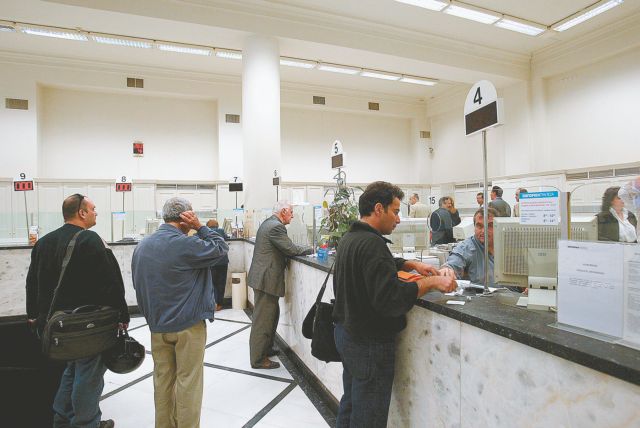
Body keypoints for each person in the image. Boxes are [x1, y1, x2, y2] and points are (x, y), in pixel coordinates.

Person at [332, 181, 456, 427]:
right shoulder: (373, 244)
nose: (398, 219)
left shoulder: (352, 237)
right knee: (368, 417)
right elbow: (391, 300)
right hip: (368, 343)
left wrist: (409, 264)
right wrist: (431, 282)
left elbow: (373, 265)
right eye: (396, 211)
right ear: (379, 209)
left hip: (347, 335)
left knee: (351, 405)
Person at [26, 193, 129, 428]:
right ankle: (86, 423)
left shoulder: (44, 242)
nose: (96, 212)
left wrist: (33, 315)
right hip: (86, 326)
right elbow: (111, 282)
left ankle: (62, 420)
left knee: (71, 371)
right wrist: (122, 315)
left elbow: (32, 282)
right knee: (89, 376)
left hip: (55, 326)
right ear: (81, 213)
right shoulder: (91, 239)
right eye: (92, 209)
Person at [132, 197, 228, 428]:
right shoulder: (185, 244)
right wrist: (201, 226)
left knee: (163, 380)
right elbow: (221, 249)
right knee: (188, 382)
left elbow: (138, 284)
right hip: (188, 326)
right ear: (186, 218)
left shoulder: (143, 246)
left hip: (158, 326)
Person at [248, 201, 313, 369]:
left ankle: (266, 348)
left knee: (271, 316)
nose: (292, 215)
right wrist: (311, 249)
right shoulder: (276, 227)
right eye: (291, 212)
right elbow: (291, 249)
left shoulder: (269, 223)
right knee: (263, 321)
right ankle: (258, 359)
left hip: (263, 278)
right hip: (266, 279)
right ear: (283, 211)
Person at [439, 208, 499, 286]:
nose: (483, 231)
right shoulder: (467, 247)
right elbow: (454, 262)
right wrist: (447, 270)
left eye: (489, 226)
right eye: (479, 226)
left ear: (498, 226)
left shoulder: (507, 246)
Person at [207, 219, 230, 311]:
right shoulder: (221, 231)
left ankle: (214, 303)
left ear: (207, 226)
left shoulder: (206, 231)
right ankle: (220, 304)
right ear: (217, 225)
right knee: (221, 283)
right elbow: (226, 237)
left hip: (211, 261)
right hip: (223, 261)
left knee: (212, 283)